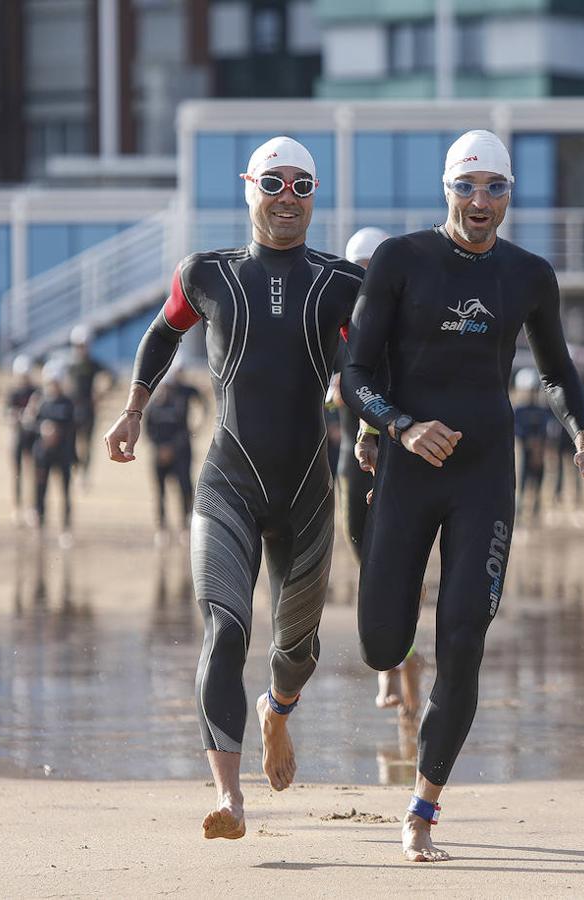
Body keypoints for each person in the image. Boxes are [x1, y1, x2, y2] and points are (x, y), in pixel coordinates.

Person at [341, 129, 584, 862]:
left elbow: (557, 371)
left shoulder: (528, 275)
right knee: (380, 645)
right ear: (446, 189)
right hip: (408, 468)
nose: (481, 201)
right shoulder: (400, 261)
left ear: (510, 193)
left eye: (495, 187)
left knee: (463, 639)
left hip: (485, 475)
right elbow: (356, 375)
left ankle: (424, 806)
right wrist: (400, 426)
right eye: (467, 186)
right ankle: (396, 670)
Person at [103, 136, 364, 841]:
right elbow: (161, 335)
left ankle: (276, 710)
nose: (287, 196)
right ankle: (228, 797)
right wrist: (133, 410)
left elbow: (373, 366)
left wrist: (376, 428)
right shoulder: (208, 274)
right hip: (228, 484)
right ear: (249, 186)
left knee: (297, 650)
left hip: (308, 490)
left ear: (315, 195)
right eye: (274, 182)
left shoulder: (342, 282)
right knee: (224, 629)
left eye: (302, 185)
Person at [336, 225, 423, 714]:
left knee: (397, 567)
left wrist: (374, 432)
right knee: (366, 563)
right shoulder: (340, 323)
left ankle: (397, 668)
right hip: (354, 462)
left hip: (398, 454)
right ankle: (401, 663)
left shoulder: (406, 326)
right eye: (360, 272)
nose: (368, 281)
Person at [142, 359, 204, 541]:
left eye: (168, 387)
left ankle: (185, 525)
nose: (165, 390)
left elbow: (183, 430)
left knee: (184, 487)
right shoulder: (153, 407)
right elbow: (148, 430)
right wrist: (159, 449)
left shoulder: (178, 406)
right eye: (163, 387)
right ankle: (162, 528)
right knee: (160, 491)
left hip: (179, 453)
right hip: (159, 456)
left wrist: (172, 448)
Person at [28, 360, 78, 545]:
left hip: (63, 453)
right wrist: (43, 428)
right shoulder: (39, 401)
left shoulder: (67, 403)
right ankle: (39, 527)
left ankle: (66, 528)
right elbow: (30, 426)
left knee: (65, 491)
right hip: (43, 454)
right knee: (40, 489)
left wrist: (73, 455)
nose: (53, 385)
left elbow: (73, 428)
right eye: (51, 382)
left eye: (56, 382)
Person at [67, 326, 111, 481]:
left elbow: (112, 377)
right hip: (72, 409)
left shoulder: (93, 364)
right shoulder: (70, 365)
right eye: (79, 346)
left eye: (84, 345)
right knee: (71, 440)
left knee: (87, 442)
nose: (82, 349)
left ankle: (85, 473)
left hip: (89, 408)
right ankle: (75, 466)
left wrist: (100, 394)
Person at [512, 368, 552, 524]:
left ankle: (536, 509)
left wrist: (539, 445)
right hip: (523, 451)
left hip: (539, 451)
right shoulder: (519, 410)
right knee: (521, 481)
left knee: (538, 479)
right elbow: (516, 429)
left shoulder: (541, 410)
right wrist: (529, 442)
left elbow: (545, 428)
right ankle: (519, 510)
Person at [5, 355, 38, 523]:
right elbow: (8, 414)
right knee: (17, 472)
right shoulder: (13, 393)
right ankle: (16, 506)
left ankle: (32, 506)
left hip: (33, 436)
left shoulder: (36, 392)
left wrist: (31, 415)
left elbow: (40, 412)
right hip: (18, 435)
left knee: (32, 472)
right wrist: (17, 417)